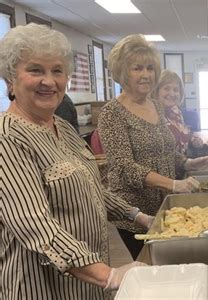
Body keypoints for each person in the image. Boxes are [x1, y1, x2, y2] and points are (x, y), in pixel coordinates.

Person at [0, 23, 153, 299]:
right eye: (36, 70)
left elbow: (91, 188)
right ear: (11, 78)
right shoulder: (7, 138)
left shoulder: (63, 127)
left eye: (57, 71)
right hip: (42, 287)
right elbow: (35, 226)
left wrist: (137, 215)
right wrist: (109, 275)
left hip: (86, 282)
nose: (49, 81)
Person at [98, 34, 208, 259]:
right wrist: (173, 184)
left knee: (175, 261)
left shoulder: (155, 105)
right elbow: (124, 167)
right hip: (135, 211)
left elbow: (164, 148)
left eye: (150, 68)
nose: (146, 74)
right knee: (152, 264)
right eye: (137, 68)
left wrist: (188, 162)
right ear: (123, 72)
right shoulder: (111, 113)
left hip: (163, 202)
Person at [153, 70, 204, 155]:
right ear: (157, 91)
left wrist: (193, 139)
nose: (172, 93)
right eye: (166, 88)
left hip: (184, 164)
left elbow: (183, 131)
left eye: (176, 90)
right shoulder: (151, 114)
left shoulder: (176, 111)